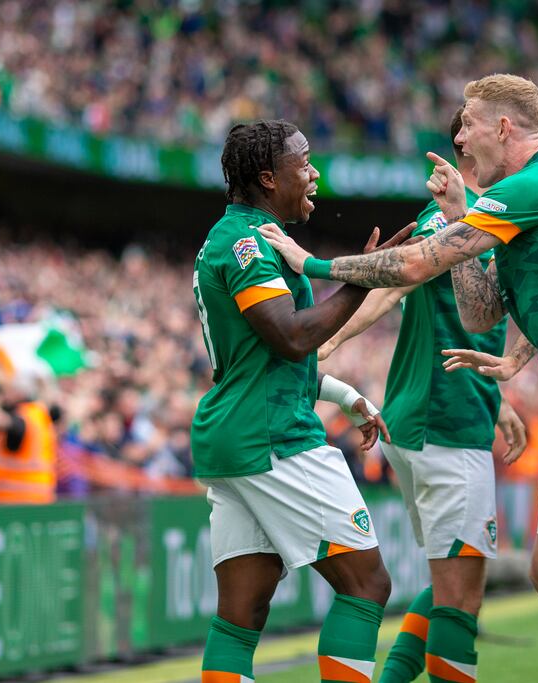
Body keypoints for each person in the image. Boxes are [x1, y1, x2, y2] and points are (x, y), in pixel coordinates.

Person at [261, 74, 538, 682]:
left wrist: (312, 263)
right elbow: (481, 311)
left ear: (504, 128)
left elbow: (412, 262)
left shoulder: (531, 187)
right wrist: (463, 219)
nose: (460, 136)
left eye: (468, 123)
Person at [314, 107, 528, 683]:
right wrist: (331, 336)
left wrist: (498, 399)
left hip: (441, 415)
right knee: (461, 599)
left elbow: (462, 319)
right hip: (442, 423)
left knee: (446, 581)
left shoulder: (499, 214)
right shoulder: (449, 221)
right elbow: (393, 289)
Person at [192, 119, 406, 683]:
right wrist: (362, 277)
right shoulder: (246, 243)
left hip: (238, 437)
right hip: (272, 437)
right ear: (268, 177)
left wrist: (343, 394)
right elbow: (288, 335)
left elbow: (264, 361)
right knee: (367, 583)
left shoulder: (241, 236)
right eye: (303, 164)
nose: (314, 174)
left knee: (243, 614)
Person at [0, 373, 57, 505]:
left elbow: (13, 426)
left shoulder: (25, 415)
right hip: (35, 497)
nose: (5, 395)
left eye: (9, 390)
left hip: (14, 499)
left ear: (19, 392)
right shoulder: (39, 413)